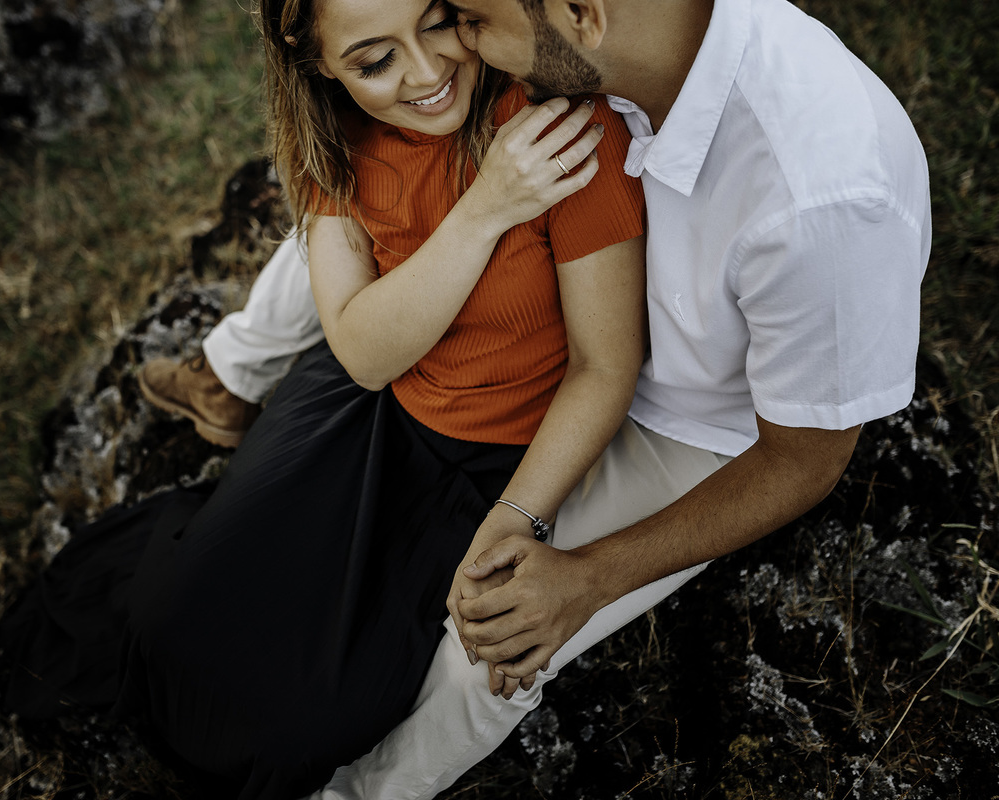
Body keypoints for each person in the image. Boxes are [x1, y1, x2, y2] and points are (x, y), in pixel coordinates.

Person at [144, 0, 931, 797]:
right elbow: (366, 207)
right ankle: (234, 366)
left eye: (466, 19)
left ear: (580, 15)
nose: (453, 56)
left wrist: (584, 573)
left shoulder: (822, 204)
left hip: (685, 425)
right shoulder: (594, 56)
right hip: (516, 345)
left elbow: (802, 461)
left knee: (495, 629)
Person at [0, 0, 649, 797]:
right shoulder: (333, 139)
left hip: (492, 467)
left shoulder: (554, 132)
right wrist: (487, 207)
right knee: (173, 628)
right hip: (363, 408)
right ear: (320, 67)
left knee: (298, 723)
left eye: (438, 22)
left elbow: (605, 366)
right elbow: (365, 355)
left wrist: (519, 516)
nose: (429, 70)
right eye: (375, 61)